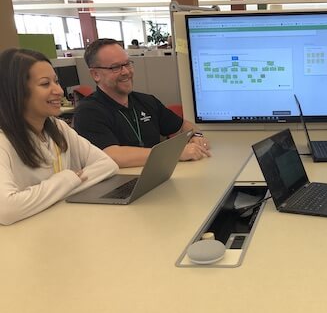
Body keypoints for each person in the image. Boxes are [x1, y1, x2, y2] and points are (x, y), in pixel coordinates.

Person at [0, 48, 118, 225]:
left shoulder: (58, 127)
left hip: (61, 226)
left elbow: (108, 165)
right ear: (17, 92)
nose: (59, 91)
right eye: (45, 84)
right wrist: (67, 179)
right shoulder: (4, 141)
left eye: (56, 81)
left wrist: (62, 188)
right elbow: (7, 210)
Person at [72, 38, 210, 168]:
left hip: (155, 177)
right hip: (119, 184)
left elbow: (182, 126)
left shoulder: (146, 101)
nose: (126, 72)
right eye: (115, 67)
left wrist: (195, 136)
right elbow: (111, 155)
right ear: (95, 74)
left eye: (127, 64)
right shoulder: (88, 112)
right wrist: (175, 153)